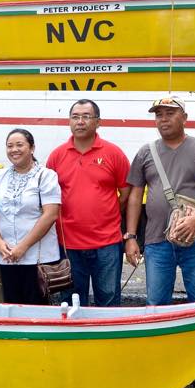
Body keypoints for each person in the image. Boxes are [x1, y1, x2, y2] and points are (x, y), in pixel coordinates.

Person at [125, 95, 195, 388]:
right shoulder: (146, 152)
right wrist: (131, 237)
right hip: (157, 241)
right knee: (157, 305)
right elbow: (134, 196)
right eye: (158, 114)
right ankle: (160, 366)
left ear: (185, 116)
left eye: (170, 113)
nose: (163, 119)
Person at [46, 99, 131, 307]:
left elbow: (126, 192)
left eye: (86, 116)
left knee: (108, 302)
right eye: (75, 117)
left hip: (107, 244)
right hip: (68, 244)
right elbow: (48, 198)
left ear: (98, 122)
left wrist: (106, 213)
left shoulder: (113, 153)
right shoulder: (57, 156)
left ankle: (108, 340)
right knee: (70, 303)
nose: (80, 122)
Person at [0, 128, 61, 305]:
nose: (14, 149)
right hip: (7, 256)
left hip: (37, 259)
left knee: (36, 310)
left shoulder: (46, 176)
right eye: (9, 146)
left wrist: (23, 247)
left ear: (32, 148)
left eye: (20, 145)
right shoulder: (0, 176)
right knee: (12, 306)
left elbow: (50, 214)